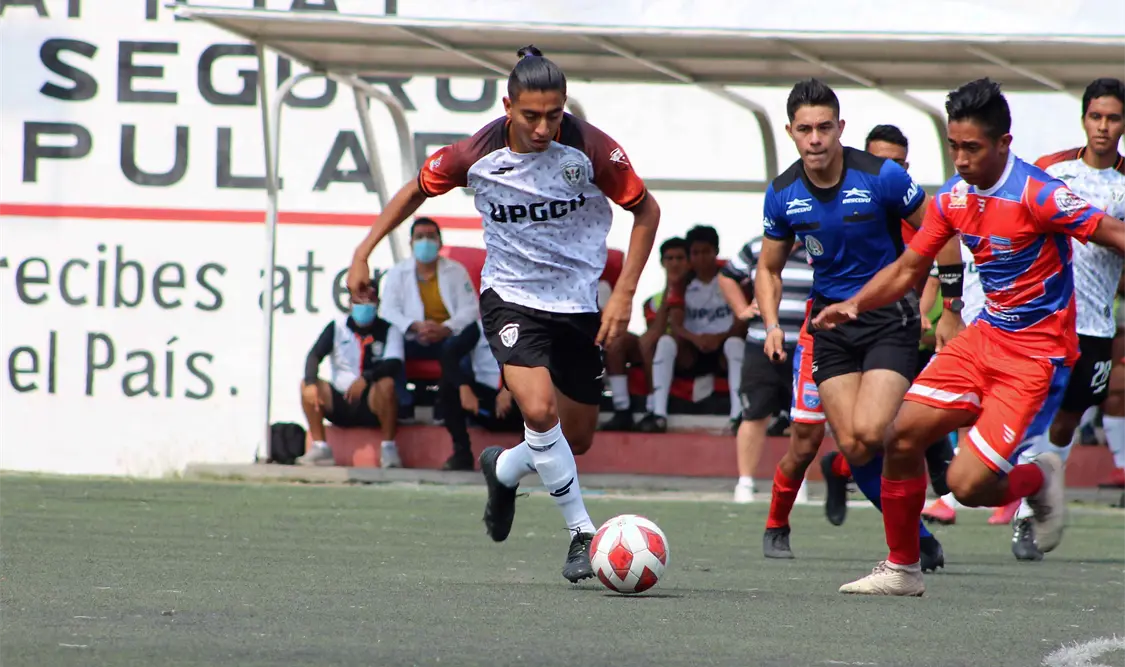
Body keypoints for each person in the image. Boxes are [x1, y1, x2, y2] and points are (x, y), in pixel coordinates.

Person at [346, 46, 660, 583]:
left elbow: (646, 210)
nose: (544, 128)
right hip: (511, 297)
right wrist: (362, 252)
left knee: (575, 437)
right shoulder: (474, 154)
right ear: (508, 106)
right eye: (531, 115)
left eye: (554, 115)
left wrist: (625, 294)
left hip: (578, 302)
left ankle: (506, 467)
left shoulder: (592, 149)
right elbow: (415, 191)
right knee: (538, 412)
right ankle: (582, 533)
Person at [816, 77, 1125, 596]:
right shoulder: (953, 200)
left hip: (1032, 358)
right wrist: (853, 304)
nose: (959, 159)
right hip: (982, 341)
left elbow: (1113, 234)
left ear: (1004, 143)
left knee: (967, 486)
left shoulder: (1039, 194)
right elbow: (909, 266)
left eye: (972, 148)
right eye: (953, 146)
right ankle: (902, 569)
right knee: (901, 437)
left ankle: (1038, 479)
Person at [754, 79, 964, 572]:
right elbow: (768, 268)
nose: (815, 139)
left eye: (824, 127)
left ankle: (909, 539)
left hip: (888, 319)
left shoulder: (883, 177)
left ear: (840, 128)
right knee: (851, 443)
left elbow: (941, 231)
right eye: (804, 129)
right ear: (790, 132)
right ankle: (915, 537)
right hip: (829, 325)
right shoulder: (782, 194)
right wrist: (770, 324)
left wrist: (950, 305)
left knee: (873, 432)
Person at [1003, 77, 1125, 560]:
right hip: (1047, 318)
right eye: (1096, 116)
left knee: (1066, 423)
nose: (1103, 126)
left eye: (1113, 118)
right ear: (1083, 119)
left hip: (1095, 325)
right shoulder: (1052, 170)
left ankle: (1041, 488)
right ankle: (1026, 515)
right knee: (1035, 414)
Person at [719, 235, 829, 558]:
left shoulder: (818, 242)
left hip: (810, 344)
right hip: (762, 343)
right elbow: (727, 276)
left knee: (803, 419)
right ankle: (745, 482)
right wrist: (741, 308)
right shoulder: (755, 246)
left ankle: (802, 485)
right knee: (754, 414)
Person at [378, 217, 480, 419]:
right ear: (411, 243)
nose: (425, 242)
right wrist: (414, 326)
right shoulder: (398, 272)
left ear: (440, 243)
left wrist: (445, 328)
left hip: (446, 337)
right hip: (413, 337)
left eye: (431, 237)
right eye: (420, 237)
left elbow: (470, 309)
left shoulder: (456, 271)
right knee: (391, 341)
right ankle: (403, 404)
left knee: (463, 345)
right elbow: (388, 310)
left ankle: (448, 405)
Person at [650, 225, 746, 433]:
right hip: (692, 350)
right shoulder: (682, 282)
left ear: (715, 251)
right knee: (666, 342)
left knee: (736, 344)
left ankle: (738, 416)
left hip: (723, 348)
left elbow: (742, 319)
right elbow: (675, 324)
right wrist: (695, 338)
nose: (701, 258)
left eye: (706, 252)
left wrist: (719, 337)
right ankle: (658, 414)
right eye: (695, 253)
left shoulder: (731, 278)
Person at [297, 282, 404, 467]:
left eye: (368, 300)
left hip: (371, 402)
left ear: (377, 303)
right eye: (358, 300)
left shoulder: (389, 330)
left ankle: (388, 449)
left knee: (387, 385)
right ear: (350, 303)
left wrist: (366, 378)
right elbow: (314, 355)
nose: (363, 305)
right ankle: (320, 447)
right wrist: (311, 381)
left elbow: (394, 363)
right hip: (339, 398)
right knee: (307, 385)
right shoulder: (337, 327)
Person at [601, 237, 690, 432]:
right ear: (662, 262)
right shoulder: (652, 301)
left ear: (688, 261)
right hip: (656, 349)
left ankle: (653, 408)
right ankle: (622, 409)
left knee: (658, 342)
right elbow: (655, 330)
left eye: (680, 258)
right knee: (618, 343)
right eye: (669, 258)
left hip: (687, 352)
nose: (674, 263)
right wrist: (670, 288)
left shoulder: (699, 291)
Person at [438, 320, 523, 471]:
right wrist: (463, 386)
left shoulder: (531, 325)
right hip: (485, 402)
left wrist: (510, 387)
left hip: (519, 404)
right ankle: (461, 454)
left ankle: (529, 455)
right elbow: (448, 355)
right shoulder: (480, 326)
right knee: (449, 384)